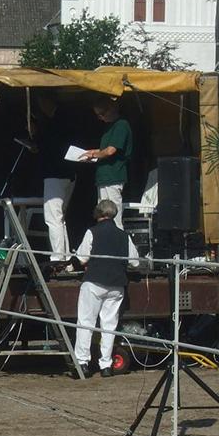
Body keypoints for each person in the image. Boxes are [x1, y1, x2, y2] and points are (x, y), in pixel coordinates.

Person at [72, 199, 140, 377]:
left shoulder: (92, 232)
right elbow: (135, 262)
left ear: (98, 213)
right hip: (116, 284)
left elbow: (81, 258)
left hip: (95, 282)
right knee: (109, 325)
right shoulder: (124, 235)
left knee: (86, 322)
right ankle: (106, 365)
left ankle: (83, 363)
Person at [33, 94, 78, 262]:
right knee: (60, 218)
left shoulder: (55, 123)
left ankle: (59, 256)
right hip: (68, 173)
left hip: (56, 174)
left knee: (53, 217)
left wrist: (36, 137)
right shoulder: (63, 121)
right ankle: (64, 256)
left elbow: (51, 147)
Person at [81, 99, 132, 229]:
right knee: (103, 216)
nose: (100, 117)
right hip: (104, 178)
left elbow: (110, 151)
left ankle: (118, 247)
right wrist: (91, 152)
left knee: (114, 215)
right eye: (98, 115)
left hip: (113, 177)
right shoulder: (109, 126)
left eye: (102, 113)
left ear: (111, 108)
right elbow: (105, 149)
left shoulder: (121, 125)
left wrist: (93, 155)